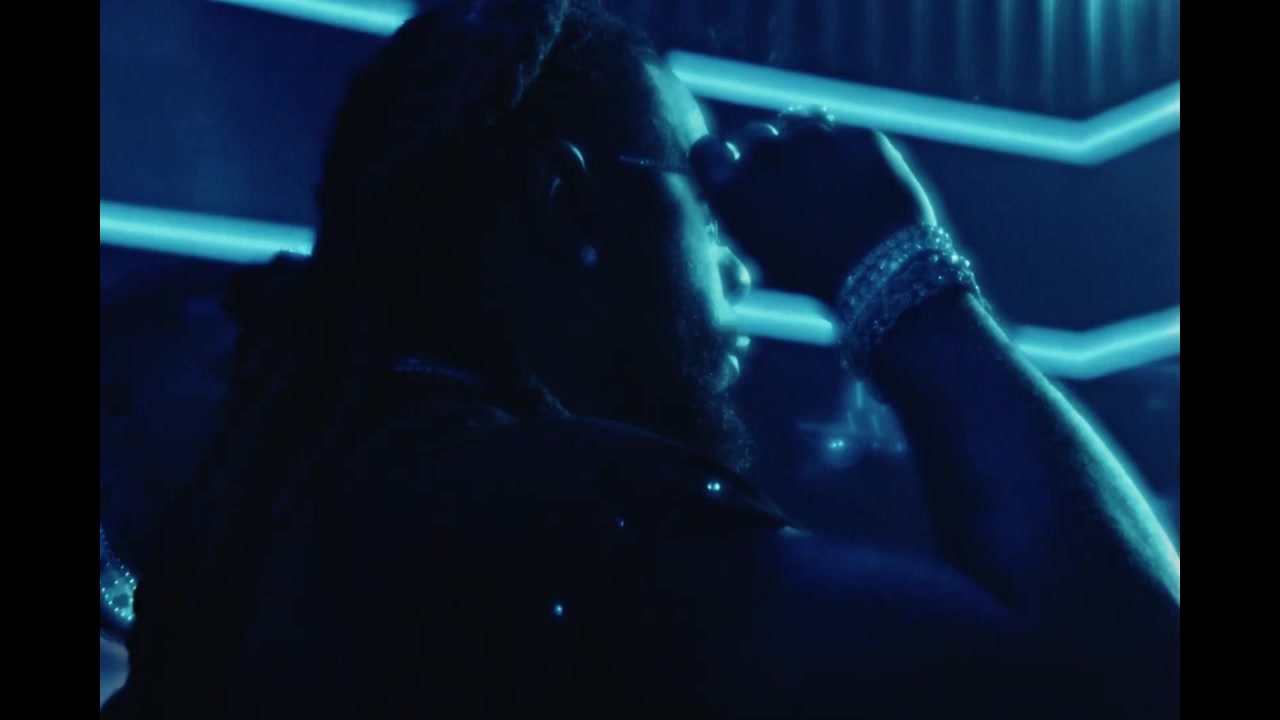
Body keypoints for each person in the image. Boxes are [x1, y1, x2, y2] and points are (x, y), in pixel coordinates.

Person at [102, 1, 1180, 717]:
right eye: (707, 203)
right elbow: (1127, 682)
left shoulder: (282, 518)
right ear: (568, 204)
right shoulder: (561, 528)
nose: (742, 264)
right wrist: (898, 271)